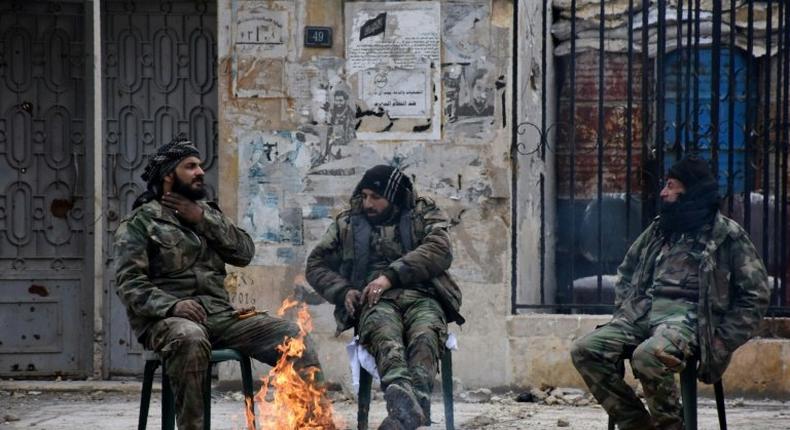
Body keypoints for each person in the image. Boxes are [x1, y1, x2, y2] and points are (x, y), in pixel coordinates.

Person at [113, 134, 324, 430]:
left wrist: (202, 218)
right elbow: (128, 282)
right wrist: (173, 305)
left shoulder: (206, 215)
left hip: (220, 318)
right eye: (190, 166)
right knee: (190, 337)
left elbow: (244, 253)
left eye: (200, 165)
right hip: (167, 323)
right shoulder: (139, 224)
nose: (200, 171)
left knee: (293, 336)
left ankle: (312, 424)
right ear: (169, 175)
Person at [570, 156, 770, 430]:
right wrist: (625, 310)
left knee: (648, 356)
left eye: (671, 185)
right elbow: (627, 270)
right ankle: (637, 424)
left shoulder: (726, 236)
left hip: (688, 323)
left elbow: (755, 295)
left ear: (691, 190)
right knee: (585, 350)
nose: (663, 192)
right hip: (641, 316)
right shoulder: (660, 229)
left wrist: (722, 341)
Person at [306, 165, 464, 430]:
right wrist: (344, 290)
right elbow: (316, 265)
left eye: (375, 198)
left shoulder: (423, 214)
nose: (368, 203)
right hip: (375, 302)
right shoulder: (347, 224)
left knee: (425, 336)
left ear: (394, 197)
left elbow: (439, 249)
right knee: (385, 336)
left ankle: (406, 413)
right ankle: (406, 401)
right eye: (365, 196)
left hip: (424, 296)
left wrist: (390, 276)